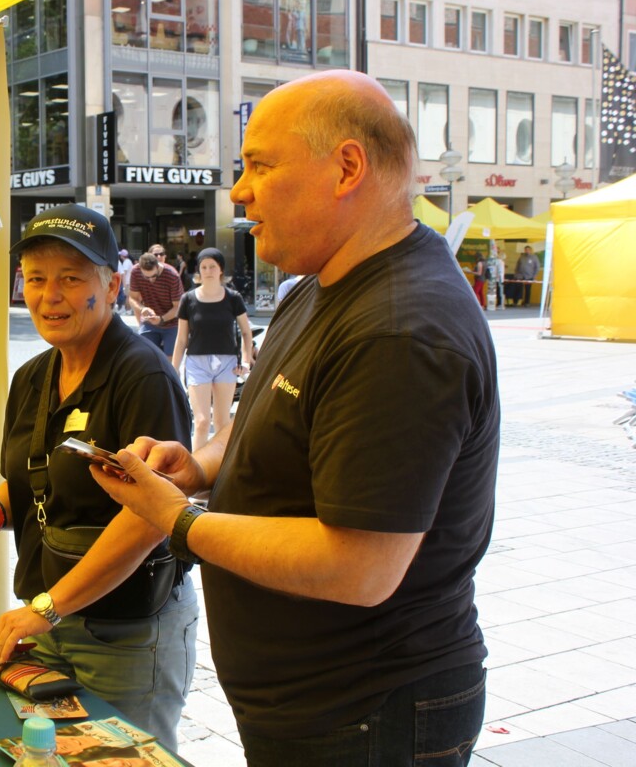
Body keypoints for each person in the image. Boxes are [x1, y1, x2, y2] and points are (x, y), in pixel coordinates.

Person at [94, 71, 498, 766]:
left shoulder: (398, 330)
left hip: (366, 713)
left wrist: (179, 519)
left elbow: (360, 568)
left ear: (347, 167)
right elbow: (267, 419)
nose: (240, 191)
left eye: (258, 165)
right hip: (315, 705)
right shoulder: (320, 284)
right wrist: (198, 467)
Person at [0, 204, 198, 748]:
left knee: (120, 758)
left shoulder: (142, 376)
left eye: (70, 278)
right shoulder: (33, 376)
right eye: (35, 278)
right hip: (50, 619)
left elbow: (152, 517)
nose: (49, 295)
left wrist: (47, 606)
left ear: (110, 287)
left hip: (125, 631)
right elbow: (38, 485)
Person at [170, 248, 254, 451]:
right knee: (201, 421)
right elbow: (181, 339)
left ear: (220, 270)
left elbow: (246, 332)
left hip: (227, 363)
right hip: (197, 363)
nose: (208, 270)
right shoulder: (188, 299)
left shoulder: (233, 298)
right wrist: (174, 368)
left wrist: (245, 360)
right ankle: (197, 469)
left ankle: (220, 469)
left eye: (212, 266)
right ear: (198, 270)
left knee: (222, 421)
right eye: (204, 266)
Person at [127, 248, 184, 358]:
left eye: (154, 276)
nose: (151, 280)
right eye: (146, 277)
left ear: (158, 266)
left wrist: (161, 319)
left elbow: (178, 307)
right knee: (147, 358)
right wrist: (142, 309)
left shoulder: (172, 275)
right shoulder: (135, 271)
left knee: (170, 364)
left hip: (172, 323)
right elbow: (133, 298)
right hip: (149, 322)